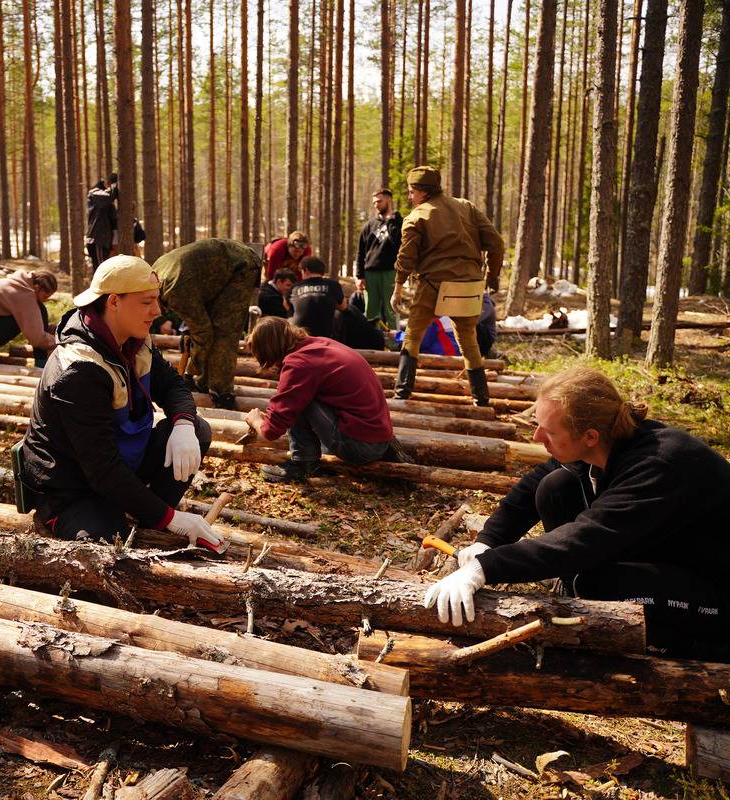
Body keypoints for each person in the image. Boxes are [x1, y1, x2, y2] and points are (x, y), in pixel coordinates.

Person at [423, 367, 730, 660]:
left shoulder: (657, 466)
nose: (537, 438)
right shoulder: (607, 442)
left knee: (595, 582)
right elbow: (531, 487)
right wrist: (487, 541)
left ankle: (698, 651)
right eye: (537, 426)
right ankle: (580, 593)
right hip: (673, 557)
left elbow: (584, 539)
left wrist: (484, 568)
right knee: (555, 486)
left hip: (716, 592)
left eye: (549, 431)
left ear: (590, 436)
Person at [17, 255, 224, 553]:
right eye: (146, 302)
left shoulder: (132, 338)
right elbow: (101, 468)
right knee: (107, 542)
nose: (157, 311)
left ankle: (146, 514)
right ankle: (134, 515)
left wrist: (183, 424)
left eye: (157, 301)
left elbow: (173, 385)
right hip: (73, 484)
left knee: (197, 430)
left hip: (119, 461)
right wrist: (173, 518)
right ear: (113, 302)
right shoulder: (79, 369)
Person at [242, 317, 407, 482]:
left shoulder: (299, 364)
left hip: (360, 447)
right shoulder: (319, 345)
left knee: (300, 400)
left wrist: (256, 420)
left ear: (269, 350)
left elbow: (271, 431)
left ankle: (303, 463)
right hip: (378, 437)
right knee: (300, 396)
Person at [391, 166, 503, 406]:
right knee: (469, 341)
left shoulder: (417, 216)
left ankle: (402, 392)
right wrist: (492, 277)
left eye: (412, 192)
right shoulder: (467, 207)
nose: (410, 197)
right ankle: (481, 398)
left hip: (434, 285)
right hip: (469, 287)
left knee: (413, 336)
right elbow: (496, 243)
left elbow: (406, 257)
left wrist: (398, 286)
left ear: (422, 191)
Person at [153, 239, 262, 410]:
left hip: (240, 266)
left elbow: (203, 333)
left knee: (223, 332)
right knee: (206, 328)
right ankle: (204, 381)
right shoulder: (155, 275)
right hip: (221, 269)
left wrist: (189, 372)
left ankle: (222, 392)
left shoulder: (174, 291)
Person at [355, 189, 402, 330]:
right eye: (374, 202)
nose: (376, 205)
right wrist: (359, 276)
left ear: (388, 200)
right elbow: (360, 252)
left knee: (391, 309)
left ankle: (395, 343)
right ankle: (373, 342)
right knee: (371, 312)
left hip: (390, 272)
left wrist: (391, 220)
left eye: (379, 201)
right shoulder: (369, 225)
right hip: (370, 274)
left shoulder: (399, 222)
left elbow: (398, 243)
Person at [85, 174, 118, 270]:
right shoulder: (94, 193)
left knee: (102, 269)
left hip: (103, 241)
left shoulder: (106, 204)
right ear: (105, 184)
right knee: (101, 270)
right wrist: (115, 184)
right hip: (97, 239)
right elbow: (110, 195)